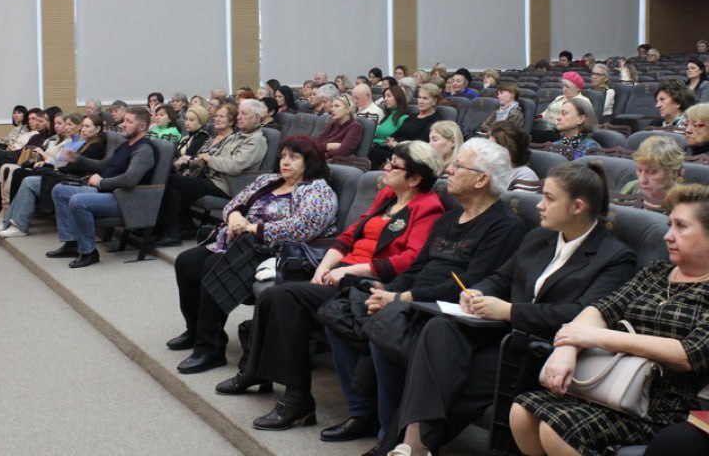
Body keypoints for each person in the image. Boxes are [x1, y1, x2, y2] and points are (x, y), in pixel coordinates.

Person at [390, 161, 636, 456]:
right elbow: (501, 278)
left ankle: (411, 445)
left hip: (542, 350)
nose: (540, 206)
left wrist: (508, 311)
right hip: (500, 335)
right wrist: (479, 293)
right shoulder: (539, 237)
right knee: (439, 328)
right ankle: (414, 446)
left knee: (449, 375)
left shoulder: (616, 256)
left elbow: (581, 314)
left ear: (578, 206)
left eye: (549, 198)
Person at [214, 141, 446, 431]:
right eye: (388, 161)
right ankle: (260, 374)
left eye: (393, 165)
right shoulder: (388, 194)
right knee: (276, 295)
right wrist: (325, 266)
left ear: (414, 178)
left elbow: (409, 260)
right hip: (342, 272)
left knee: (284, 296)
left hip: (371, 283)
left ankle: (295, 398)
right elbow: (349, 235)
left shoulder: (428, 208)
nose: (384, 168)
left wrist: (350, 270)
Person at [322, 139, 526, 445]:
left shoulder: (505, 226)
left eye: (459, 167)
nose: (450, 172)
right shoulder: (448, 219)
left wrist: (400, 298)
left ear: (482, 179)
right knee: (338, 311)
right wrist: (387, 291)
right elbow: (418, 267)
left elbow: (471, 281)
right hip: (409, 298)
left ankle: (389, 436)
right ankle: (362, 412)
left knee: (385, 329)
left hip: (443, 311)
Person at [510, 183, 709, 456]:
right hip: (610, 385)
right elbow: (601, 310)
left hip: (664, 404)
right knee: (521, 411)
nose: (667, 236)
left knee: (556, 429)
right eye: (669, 224)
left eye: (681, 227)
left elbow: (689, 354)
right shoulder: (655, 273)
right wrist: (567, 349)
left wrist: (598, 337)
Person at [169, 136, 339, 374]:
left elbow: (302, 228)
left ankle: (209, 348)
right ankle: (195, 329)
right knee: (186, 262)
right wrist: (235, 216)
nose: (285, 162)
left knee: (214, 265)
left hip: (274, 251)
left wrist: (254, 228)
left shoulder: (318, 191)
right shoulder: (268, 180)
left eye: (294, 157)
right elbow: (233, 203)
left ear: (310, 161)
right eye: (283, 155)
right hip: (238, 243)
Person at [46, 106, 156, 269]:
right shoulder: (126, 144)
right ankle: (71, 243)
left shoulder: (144, 149)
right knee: (59, 190)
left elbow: (130, 179)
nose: (123, 125)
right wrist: (78, 158)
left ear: (141, 127)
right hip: (107, 192)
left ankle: (89, 252)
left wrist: (100, 182)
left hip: (125, 199)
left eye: (129, 122)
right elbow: (105, 164)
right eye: (124, 120)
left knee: (78, 201)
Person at [157, 99, 267, 246]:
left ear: (257, 118)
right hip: (212, 177)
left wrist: (209, 159)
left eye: (244, 114)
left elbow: (234, 165)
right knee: (173, 178)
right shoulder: (236, 136)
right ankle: (182, 226)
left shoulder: (256, 140)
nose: (239, 117)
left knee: (173, 182)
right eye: (239, 113)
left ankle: (172, 232)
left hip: (228, 184)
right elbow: (218, 157)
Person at [0, 113, 108, 238]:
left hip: (75, 181)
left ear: (98, 129)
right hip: (66, 175)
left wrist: (57, 168)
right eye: (83, 126)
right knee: (25, 178)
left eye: (87, 126)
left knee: (28, 181)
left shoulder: (96, 145)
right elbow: (72, 164)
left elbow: (80, 167)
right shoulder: (87, 143)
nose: (83, 129)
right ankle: (6, 221)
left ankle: (19, 225)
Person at [620, 136, 684, 212]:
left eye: (652, 172)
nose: (642, 180)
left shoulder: (686, 203)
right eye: (639, 170)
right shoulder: (632, 187)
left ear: (674, 172)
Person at [369, 86, 410, 169]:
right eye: (384, 96)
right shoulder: (387, 116)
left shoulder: (403, 118)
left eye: (389, 96)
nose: (385, 99)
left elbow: (397, 141)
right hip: (376, 148)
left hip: (388, 152)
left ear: (398, 97)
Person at [489, 120, 539, 188]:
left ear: (511, 151)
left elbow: (516, 198)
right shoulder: (490, 169)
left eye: (494, 148)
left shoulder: (526, 176)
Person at [313, 94, 363, 159]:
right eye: (332, 106)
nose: (332, 109)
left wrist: (324, 153)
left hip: (335, 163)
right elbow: (315, 143)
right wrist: (328, 146)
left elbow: (344, 151)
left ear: (348, 110)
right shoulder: (333, 125)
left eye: (337, 106)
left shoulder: (355, 127)